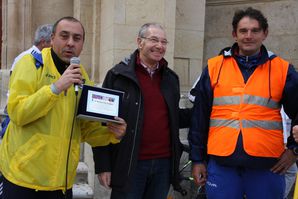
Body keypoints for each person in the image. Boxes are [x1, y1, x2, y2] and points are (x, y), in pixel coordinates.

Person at [0, 16, 127, 199]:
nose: (70, 43)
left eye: (77, 38)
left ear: (83, 44)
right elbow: (18, 113)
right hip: (24, 179)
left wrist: (113, 133)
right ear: (52, 39)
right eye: (64, 36)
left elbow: (85, 128)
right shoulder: (30, 63)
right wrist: (55, 88)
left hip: (61, 182)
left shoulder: (80, 74)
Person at [189, 7, 298, 199]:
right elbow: (199, 118)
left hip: (267, 167)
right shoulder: (215, 67)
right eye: (243, 31)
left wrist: (294, 151)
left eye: (255, 30)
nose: (249, 36)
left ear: (265, 33)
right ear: (234, 34)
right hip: (222, 166)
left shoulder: (283, 70)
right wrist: (197, 159)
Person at [92, 23, 191, 199]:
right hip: (130, 164)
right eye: (154, 40)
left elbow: (173, 116)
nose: (160, 46)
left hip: (163, 165)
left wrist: (205, 110)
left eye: (164, 42)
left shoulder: (171, 79)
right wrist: (103, 166)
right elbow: (101, 124)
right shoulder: (117, 76)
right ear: (139, 42)